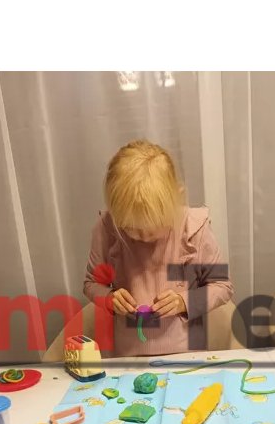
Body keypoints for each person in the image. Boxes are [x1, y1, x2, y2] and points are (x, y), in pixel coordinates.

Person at [83, 140, 233, 356]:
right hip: (129, 356)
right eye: (131, 228)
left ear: (176, 199)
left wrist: (183, 301)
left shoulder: (193, 229)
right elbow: (91, 283)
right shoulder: (107, 229)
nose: (144, 237)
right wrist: (109, 298)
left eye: (154, 227)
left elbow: (223, 286)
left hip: (188, 355)